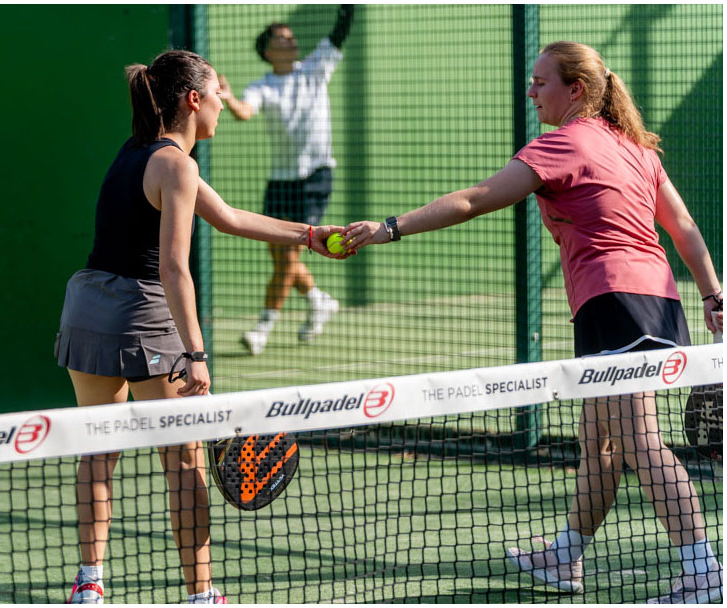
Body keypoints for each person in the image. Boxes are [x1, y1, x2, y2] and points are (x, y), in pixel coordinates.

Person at [341, 41, 723, 604]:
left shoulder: (563, 145)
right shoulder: (635, 148)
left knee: (639, 441)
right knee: (599, 443)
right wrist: (712, 293)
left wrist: (389, 228)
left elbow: (474, 200)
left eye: (541, 82)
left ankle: (703, 573)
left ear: (576, 90)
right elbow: (682, 224)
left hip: (615, 302)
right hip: (659, 302)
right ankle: (565, 555)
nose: (531, 91)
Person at [54, 50, 344, 605]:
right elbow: (173, 268)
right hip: (140, 312)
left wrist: (309, 236)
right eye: (217, 93)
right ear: (194, 100)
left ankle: (88, 585)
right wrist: (196, 352)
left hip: (86, 307)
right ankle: (201, 595)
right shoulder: (177, 166)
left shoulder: (139, 150)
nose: (222, 104)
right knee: (185, 461)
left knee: (98, 452)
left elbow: (230, 217)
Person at [219, 5, 355, 355]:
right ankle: (318, 300)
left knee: (290, 255)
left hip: (315, 177)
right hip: (280, 182)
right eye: (282, 38)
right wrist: (228, 97)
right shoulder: (262, 85)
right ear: (268, 51)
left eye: (292, 37)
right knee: (280, 255)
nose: (291, 41)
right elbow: (244, 112)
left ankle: (262, 328)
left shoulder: (315, 67)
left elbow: (339, 33)